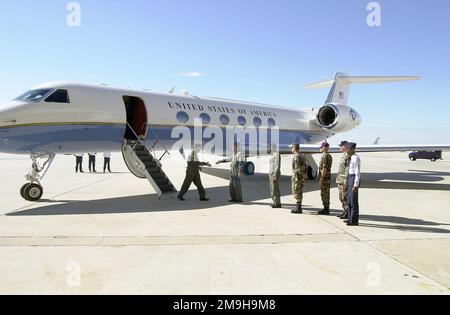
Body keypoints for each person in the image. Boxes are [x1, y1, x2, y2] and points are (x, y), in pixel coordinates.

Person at [346, 142, 361, 226]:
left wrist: (355, 185)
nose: (347, 150)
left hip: (353, 178)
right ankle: (350, 218)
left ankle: (354, 220)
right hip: (350, 178)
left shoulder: (356, 158)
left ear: (352, 149)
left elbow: (357, 172)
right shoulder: (351, 157)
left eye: (348, 149)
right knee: (350, 201)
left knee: (354, 201)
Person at [291, 144, 308, 214]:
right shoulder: (302, 156)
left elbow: (297, 169)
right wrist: (304, 174)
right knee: (299, 191)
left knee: (297, 191)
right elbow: (306, 165)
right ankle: (298, 206)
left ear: (294, 148)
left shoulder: (296, 157)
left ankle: (298, 207)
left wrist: (296, 177)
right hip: (301, 177)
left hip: (297, 177)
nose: (291, 150)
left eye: (292, 148)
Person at [336, 141, 351, 219]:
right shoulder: (343, 156)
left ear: (345, 146)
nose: (340, 147)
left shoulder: (348, 156)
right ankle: (345, 211)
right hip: (340, 180)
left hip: (343, 181)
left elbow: (347, 170)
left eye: (341, 146)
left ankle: (347, 212)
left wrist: (345, 182)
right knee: (341, 197)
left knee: (345, 197)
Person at [318, 141, 333, 215]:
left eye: (321, 147)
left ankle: (326, 209)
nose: (320, 148)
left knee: (324, 193)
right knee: (326, 193)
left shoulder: (325, 156)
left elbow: (324, 168)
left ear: (325, 148)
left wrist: (321, 179)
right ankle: (326, 208)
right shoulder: (329, 155)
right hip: (327, 177)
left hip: (325, 178)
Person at [269, 144, 282, 208]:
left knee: (275, 188)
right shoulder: (273, 154)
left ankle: (277, 203)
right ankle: (275, 202)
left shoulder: (276, 155)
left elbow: (277, 166)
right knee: (272, 188)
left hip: (274, 173)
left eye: (270, 147)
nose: (269, 148)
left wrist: (275, 175)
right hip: (271, 173)